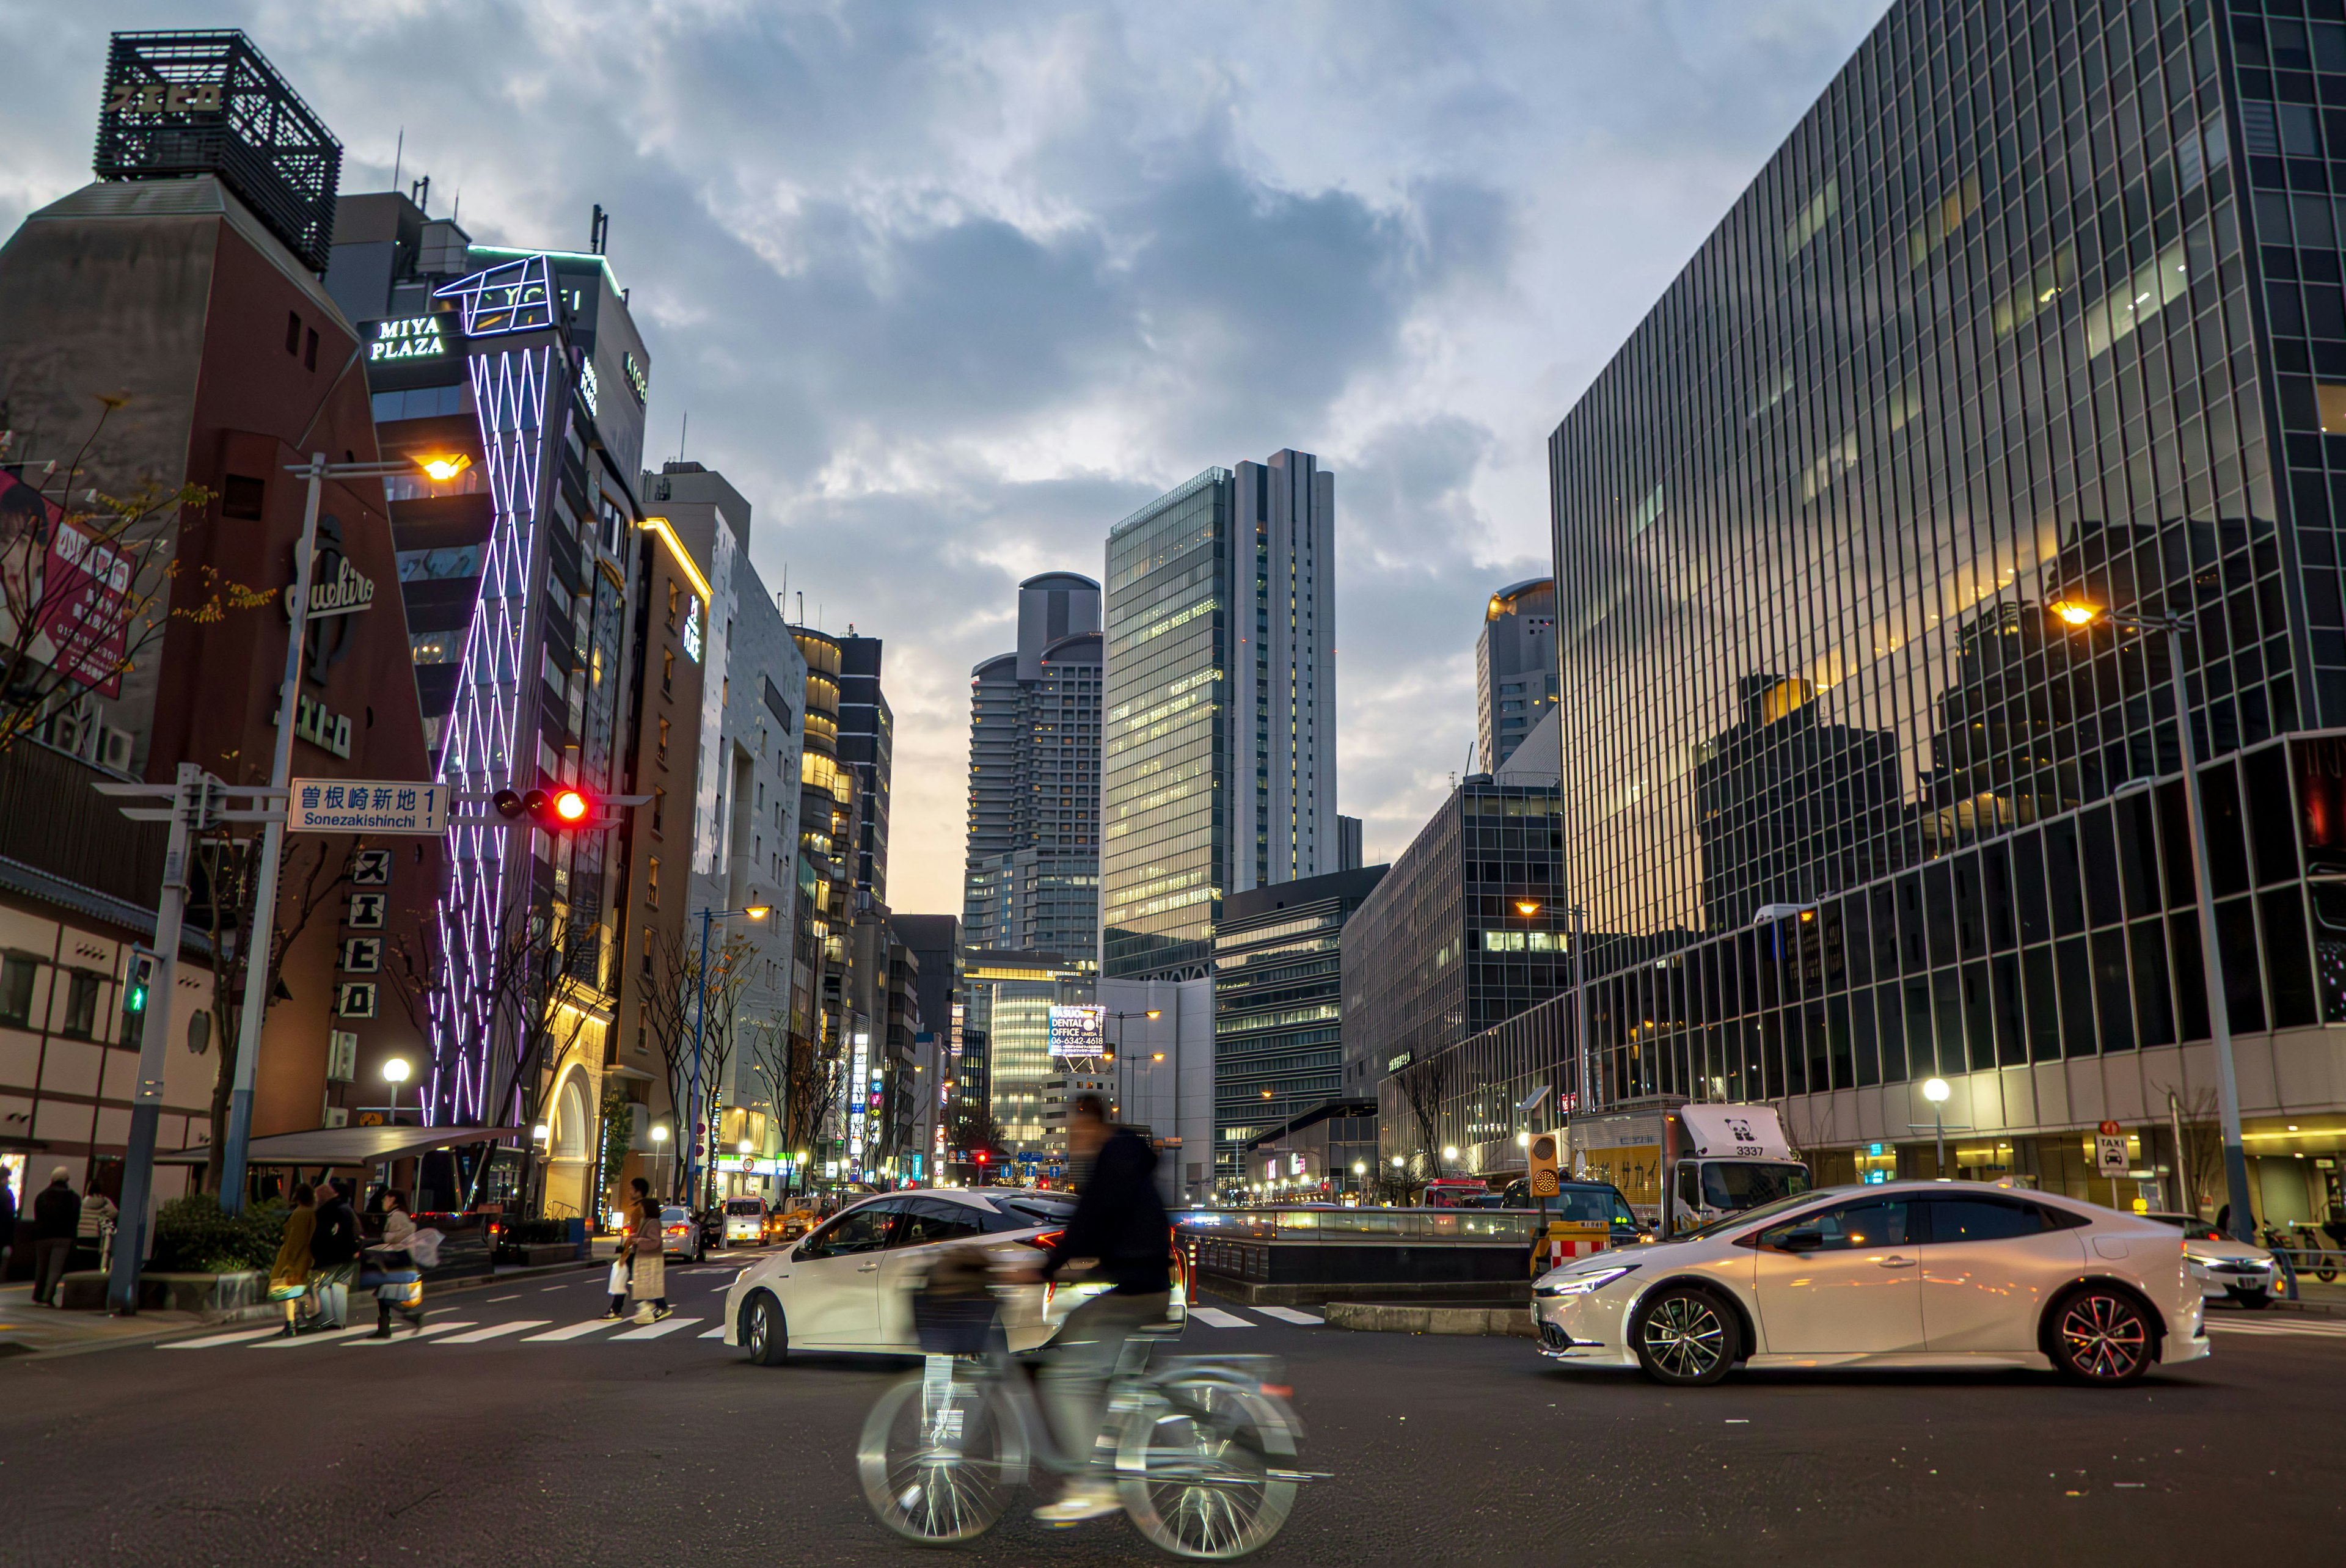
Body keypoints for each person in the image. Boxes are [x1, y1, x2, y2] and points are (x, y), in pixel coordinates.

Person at [1029, 1093, 1171, 1525]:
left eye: (1074, 1131)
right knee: (1082, 1338)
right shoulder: (1127, 1154)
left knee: (1066, 1379)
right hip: (1143, 1281)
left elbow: (1088, 1224)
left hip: (1137, 1288)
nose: (1072, 1141)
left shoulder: (1114, 1159)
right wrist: (1075, 1267)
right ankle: (1119, 1440)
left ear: (1090, 1123)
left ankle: (1092, 1486)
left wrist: (1046, 1269)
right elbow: (1104, 1230)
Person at [269, 1184, 318, 1338]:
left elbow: (295, 1240)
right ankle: (298, 1321)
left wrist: (289, 1260)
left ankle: (291, 1324)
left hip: (294, 1259)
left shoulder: (300, 1213)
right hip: (306, 1257)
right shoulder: (312, 1213)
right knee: (297, 1292)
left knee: (287, 1292)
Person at [310, 1179, 360, 1329]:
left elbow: (318, 1237)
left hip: (328, 1256)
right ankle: (340, 1319)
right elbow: (353, 1232)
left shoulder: (322, 1213)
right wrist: (354, 1250)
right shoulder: (345, 1209)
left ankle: (328, 1317)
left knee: (324, 1286)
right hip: (346, 1256)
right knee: (340, 1286)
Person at [31, 1167, 79, 1307]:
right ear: (67, 1180)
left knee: (41, 1267)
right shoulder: (73, 1197)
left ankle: (38, 1295)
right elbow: (75, 1218)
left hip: (42, 1237)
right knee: (55, 1269)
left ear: (52, 1179)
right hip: (63, 1237)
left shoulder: (42, 1196)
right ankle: (47, 1297)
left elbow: (37, 1216)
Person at [605, 1177, 651, 1319]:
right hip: (636, 1251)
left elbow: (638, 1231)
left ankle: (642, 1305)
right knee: (623, 1276)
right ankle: (617, 1308)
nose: (629, 1192)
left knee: (621, 1276)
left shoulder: (639, 1209)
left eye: (632, 1189)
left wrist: (630, 1241)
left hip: (634, 1251)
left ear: (639, 1191)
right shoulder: (643, 1207)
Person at [624, 1189, 670, 1324]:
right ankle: (659, 1306)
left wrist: (638, 1240)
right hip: (647, 1257)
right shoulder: (649, 1221)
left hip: (650, 1257)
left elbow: (655, 1241)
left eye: (643, 1207)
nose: (641, 1210)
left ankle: (656, 1307)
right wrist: (637, 1237)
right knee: (649, 1285)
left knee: (646, 1285)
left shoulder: (653, 1222)